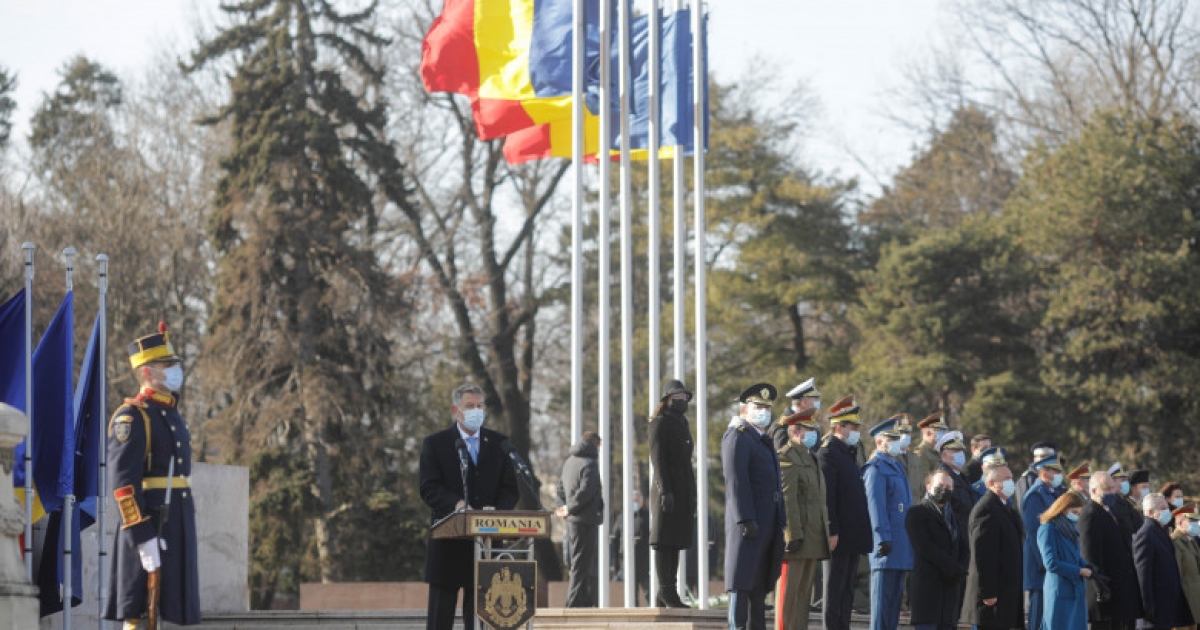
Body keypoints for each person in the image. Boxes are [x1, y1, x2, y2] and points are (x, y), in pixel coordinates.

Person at [104, 323, 201, 628]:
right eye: (167, 365)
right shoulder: (132, 416)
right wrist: (142, 537)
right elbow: (122, 486)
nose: (174, 371)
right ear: (147, 372)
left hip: (176, 520)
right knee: (141, 611)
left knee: (174, 609)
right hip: (151, 524)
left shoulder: (171, 413)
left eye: (174, 365)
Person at [419, 383, 520, 630]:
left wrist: (497, 512)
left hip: (486, 545)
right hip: (448, 543)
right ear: (456, 410)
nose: (477, 411)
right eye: (470, 406)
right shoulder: (436, 444)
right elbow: (429, 487)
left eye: (480, 406)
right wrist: (457, 503)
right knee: (440, 620)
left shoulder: (499, 443)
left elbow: (510, 488)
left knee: (481, 619)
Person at [722, 383, 786, 630]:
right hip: (748, 525)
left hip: (767, 524)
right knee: (742, 583)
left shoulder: (761, 439)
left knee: (759, 586)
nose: (764, 411)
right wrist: (745, 518)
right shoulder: (737, 436)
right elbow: (737, 480)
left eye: (767, 407)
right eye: (758, 406)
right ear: (745, 409)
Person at [817, 395, 872, 630]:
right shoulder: (828, 453)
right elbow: (827, 497)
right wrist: (832, 530)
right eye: (854, 427)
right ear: (839, 427)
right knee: (834, 589)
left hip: (852, 535)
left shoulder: (849, 453)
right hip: (838, 535)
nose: (858, 431)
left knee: (847, 589)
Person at [775, 407, 831, 630]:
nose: (813, 434)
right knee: (788, 598)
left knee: (802, 598)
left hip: (812, 537)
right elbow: (788, 500)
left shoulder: (810, 458)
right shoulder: (787, 457)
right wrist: (792, 534)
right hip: (797, 539)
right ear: (795, 432)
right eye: (808, 430)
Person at [861, 416, 914, 630]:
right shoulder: (875, 469)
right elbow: (876, 508)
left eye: (896, 438)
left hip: (901, 545)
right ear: (879, 442)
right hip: (885, 546)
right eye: (890, 438)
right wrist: (881, 537)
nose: (895, 442)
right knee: (882, 607)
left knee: (893, 606)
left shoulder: (897, 467)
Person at [648, 379, 697, 608]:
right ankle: (667, 590)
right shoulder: (659, 423)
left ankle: (665, 591)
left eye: (684, 397)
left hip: (683, 490)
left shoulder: (682, 423)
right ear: (666, 399)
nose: (681, 401)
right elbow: (658, 460)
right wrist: (665, 490)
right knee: (664, 541)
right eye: (676, 397)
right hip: (666, 491)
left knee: (676, 541)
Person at [962, 459, 1024, 630]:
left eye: (1011, 477)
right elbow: (983, 555)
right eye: (1006, 478)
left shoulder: (1005, 507)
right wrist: (988, 592)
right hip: (993, 597)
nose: (1010, 481)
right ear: (990, 483)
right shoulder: (986, 509)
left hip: (1006, 592)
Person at [1079, 471, 1143, 630]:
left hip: (1121, 591)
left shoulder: (1109, 510)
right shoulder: (1090, 514)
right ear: (1093, 491)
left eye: (1113, 488)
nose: (1111, 493)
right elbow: (1091, 557)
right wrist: (1102, 589)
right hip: (1107, 595)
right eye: (1106, 489)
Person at [1133, 492, 1194, 629]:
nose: (1167, 511)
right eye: (1162, 508)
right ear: (1150, 512)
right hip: (1156, 608)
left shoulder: (1161, 531)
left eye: (1166, 507)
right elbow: (1143, 574)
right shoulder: (1146, 534)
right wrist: (1147, 606)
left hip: (1167, 605)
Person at [556, 431, 604, 607]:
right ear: (593, 443)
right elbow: (587, 491)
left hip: (571, 520)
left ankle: (584, 601)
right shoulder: (590, 463)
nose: (599, 449)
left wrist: (562, 507)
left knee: (578, 561)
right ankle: (573, 602)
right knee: (581, 563)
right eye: (599, 446)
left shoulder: (569, 462)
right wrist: (570, 507)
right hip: (585, 520)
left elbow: (560, 487)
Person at [1021, 453, 1066, 630]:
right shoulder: (1035, 495)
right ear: (1044, 472)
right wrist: (1046, 563)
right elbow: (1034, 533)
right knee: (1038, 616)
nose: (1059, 475)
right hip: (1041, 566)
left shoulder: (1053, 493)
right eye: (1055, 471)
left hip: (1053, 563)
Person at [1037, 491, 1093, 630]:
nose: (1077, 516)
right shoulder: (1048, 528)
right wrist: (1079, 571)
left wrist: (1088, 567)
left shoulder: (1070, 529)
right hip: (1060, 591)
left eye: (1079, 513)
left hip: (1075, 590)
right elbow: (1051, 563)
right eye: (1074, 512)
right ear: (1062, 508)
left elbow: (1074, 556)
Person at [610, 489, 650, 606]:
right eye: (632, 501)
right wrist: (616, 562)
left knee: (649, 593)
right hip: (627, 562)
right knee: (631, 595)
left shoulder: (648, 517)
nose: (634, 503)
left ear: (642, 502)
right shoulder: (622, 518)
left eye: (636, 501)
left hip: (644, 563)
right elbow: (615, 539)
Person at [907, 414, 948, 507]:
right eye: (940, 431)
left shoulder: (938, 452)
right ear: (928, 433)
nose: (944, 434)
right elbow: (922, 484)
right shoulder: (921, 453)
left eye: (944, 430)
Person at [770, 377, 820, 450]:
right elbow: (781, 456)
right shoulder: (783, 425)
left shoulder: (810, 422)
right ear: (804, 403)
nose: (817, 402)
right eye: (815, 399)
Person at [1171, 505, 1200, 630]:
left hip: (1194, 600)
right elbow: (1176, 575)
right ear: (1180, 523)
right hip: (1184, 603)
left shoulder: (1191, 541)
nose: (1196, 524)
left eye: (1196, 521)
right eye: (1191, 521)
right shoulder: (1175, 542)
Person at [1013, 441, 1057, 519]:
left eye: (1050, 457)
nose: (1047, 460)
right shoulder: (1026, 480)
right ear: (1035, 459)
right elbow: (1025, 512)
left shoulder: (1056, 477)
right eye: (1043, 457)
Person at [1111, 465, 1144, 539]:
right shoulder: (1112, 504)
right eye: (1122, 480)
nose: (1126, 483)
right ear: (1113, 482)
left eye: (1126, 480)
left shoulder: (1127, 503)